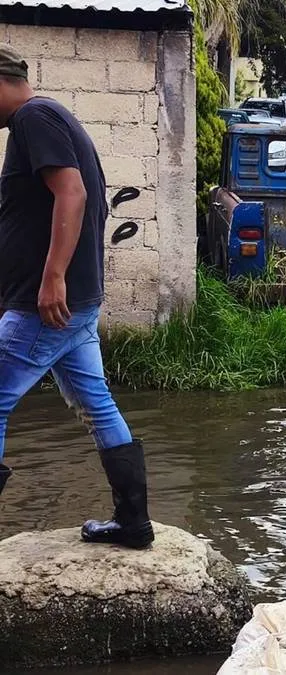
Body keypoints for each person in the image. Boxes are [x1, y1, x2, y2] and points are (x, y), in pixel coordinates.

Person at [0, 46, 153, 550]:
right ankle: (133, 524)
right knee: (97, 403)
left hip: (48, 303)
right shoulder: (48, 116)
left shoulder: (32, 117)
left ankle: (133, 521)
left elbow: (73, 193)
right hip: (73, 302)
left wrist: (52, 277)